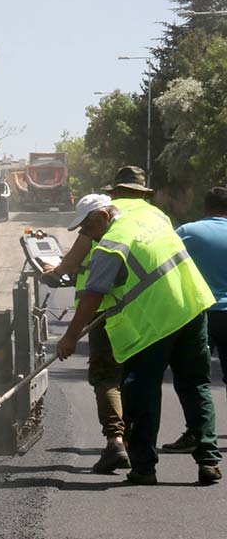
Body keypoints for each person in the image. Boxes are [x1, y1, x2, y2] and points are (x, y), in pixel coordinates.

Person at [57, 193, 220, 485]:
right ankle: (208, 460)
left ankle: (144, 468)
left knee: (142, 393)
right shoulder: (150, 216)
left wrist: (69, 338)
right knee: (196, 385)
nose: (85, 234)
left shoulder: (110, 246)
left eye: (87, 227)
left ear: (105, 216)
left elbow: (93, 295)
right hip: (192, 307)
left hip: (154, 325)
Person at [40, 166, 163, 473]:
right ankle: (140, 444)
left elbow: (75, 261)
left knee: (106, 376)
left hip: (104, 311)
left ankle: (115, 442)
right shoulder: (152, 218)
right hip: (142, 308)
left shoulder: (102, 225)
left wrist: (56, 273)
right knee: (134, 375)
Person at [160, 186, 227, 452]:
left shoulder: (188, 232)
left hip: (200, 312)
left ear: (205, 206)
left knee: (193, 378)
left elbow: (164, 264)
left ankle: (196, 433)